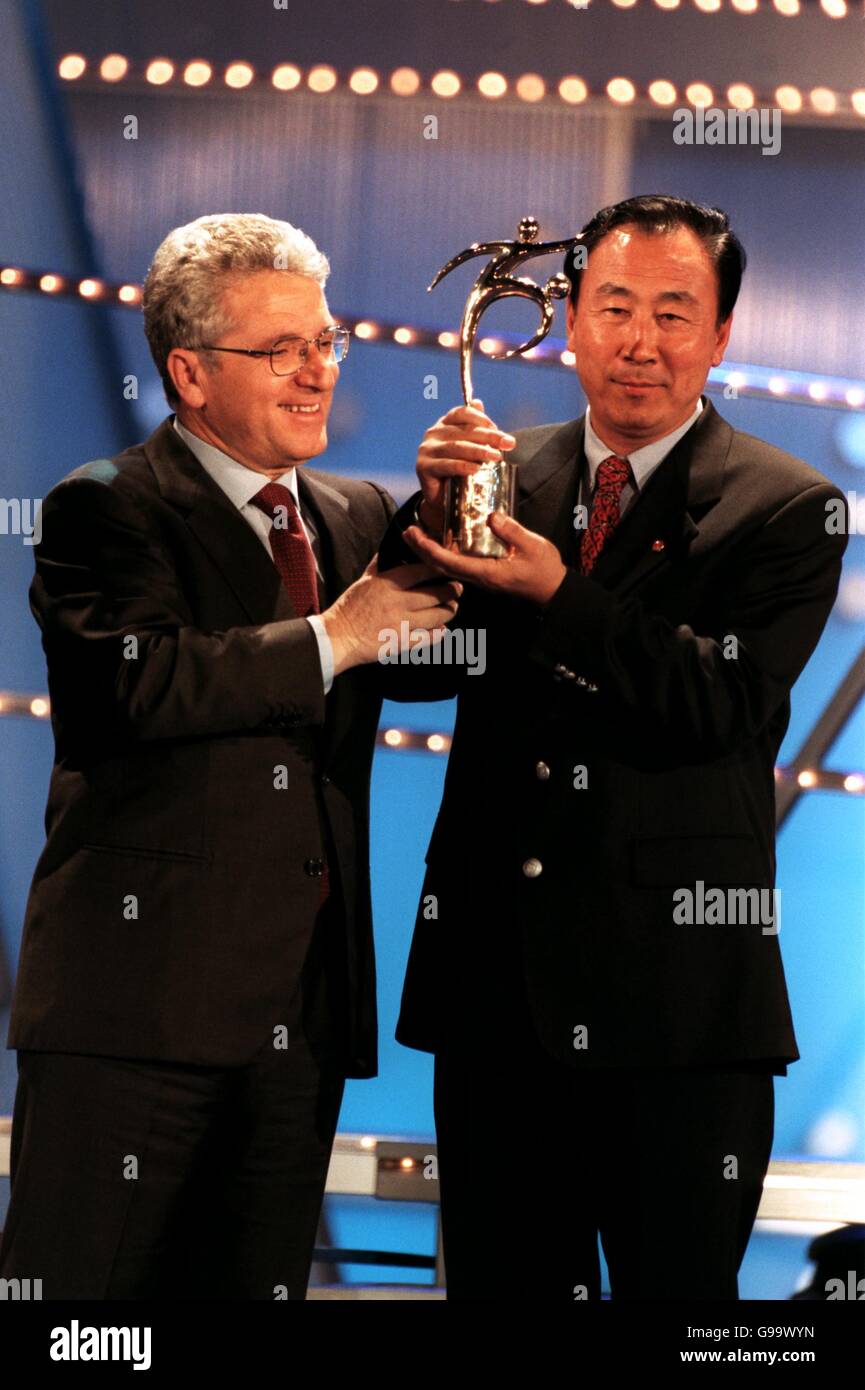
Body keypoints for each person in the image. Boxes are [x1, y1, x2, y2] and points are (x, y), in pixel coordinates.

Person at [378, 195, 849, 1300]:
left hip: (678, 1013)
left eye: (674, 313)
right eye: (615, 307)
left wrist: (557, 592)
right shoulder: (507, 476)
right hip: (498, 1004)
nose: (641, 341)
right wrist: (431, 516)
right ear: (572, 322)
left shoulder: (787, 507)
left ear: (721, 335)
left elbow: (718, 704)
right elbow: (404, 667)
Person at [0, 212, 460, 1300]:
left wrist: (460, 513)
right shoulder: (106, 509)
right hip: (135, 1017)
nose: (316, 372)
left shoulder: (351, 514)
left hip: (299, 1025)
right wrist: (336, 637)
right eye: (281, 349)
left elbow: (432, 658)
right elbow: (135, 687)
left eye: (326, 340)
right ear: (190, 375)